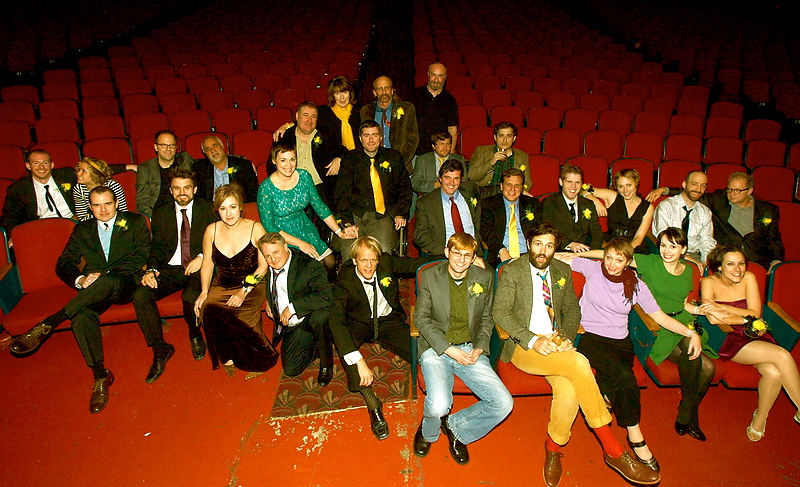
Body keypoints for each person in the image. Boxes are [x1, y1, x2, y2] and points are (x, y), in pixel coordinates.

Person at [493, 224, 660, 486]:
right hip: (524, 346)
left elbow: (572, 308)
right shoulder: (513, 271)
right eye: (538, 244)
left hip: (557, 343)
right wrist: (534, 340)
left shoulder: (560, 270)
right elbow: (500, 313)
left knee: (570, 391)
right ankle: (613, 449)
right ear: (529, 243)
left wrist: (566, 338)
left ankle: (552, 447)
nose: (543, 250)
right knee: (580, 362)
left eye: (549, 245)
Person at [557, 237, 702, 473]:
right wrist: (536, 253)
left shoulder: (636, 285)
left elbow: (660, 317)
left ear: (628, 262)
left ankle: (605, 396)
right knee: (626, 380)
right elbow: (562, 257)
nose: (612, 264)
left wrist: (690, 332)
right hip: (591, 337)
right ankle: (637, 438)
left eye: (618, 260)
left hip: (621, 341)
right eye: (609, 258)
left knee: (615, 377)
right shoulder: (592, 268)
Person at [9, 187, 160, 413]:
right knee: (81, 316)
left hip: (126, 282)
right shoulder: (83, 230)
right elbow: (63, 263)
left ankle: (49, 322)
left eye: (107, 203)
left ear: (116, 203)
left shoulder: (135, 222)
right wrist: (80, 280)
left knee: (108, 281)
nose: (103, 209)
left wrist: (104, 276)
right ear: (90, 208)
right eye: (97, 205)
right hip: (95, 289)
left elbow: (141, 256)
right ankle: (100, 375)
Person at [413, 233, 512, 465]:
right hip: (436, 347)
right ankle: (429, 431)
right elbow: (421, 318)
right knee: (439, 405)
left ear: (473, 257)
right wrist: (448, 349)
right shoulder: (429, 276)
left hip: (469, 348)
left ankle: (457, 428)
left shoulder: (484, 277)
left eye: (467, 255)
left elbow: (487, 317)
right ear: (447, 253)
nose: (461, 259)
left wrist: (479, 347)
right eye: (456, 253)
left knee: (504, 403)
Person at [328, 236, 432, 440]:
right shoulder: (344, 279)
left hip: (387, 321)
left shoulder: (386, 263)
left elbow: (418, 263)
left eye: (373, 260)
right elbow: (336, 322)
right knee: (346, 350)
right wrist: (358, 360)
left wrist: (456, 259)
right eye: (364, 260)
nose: (369, 265)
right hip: (359, 322)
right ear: (354, 260)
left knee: (421, 350)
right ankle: (373, 404)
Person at [700, 244, 800, 441]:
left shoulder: (749, 278)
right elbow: (713, 319)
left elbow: (755, 313)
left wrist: (723, 308)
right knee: (782, 355)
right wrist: (744, 316)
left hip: (754, 333)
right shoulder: (709, 282)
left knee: (773, 371)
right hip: (728, 336)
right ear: (719, 266)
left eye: (741, 264)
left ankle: (760, 419)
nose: (737, 270)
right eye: (730, 264)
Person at [132, 168, 216, 367]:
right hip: (171, 268)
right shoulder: (161, 212)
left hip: (199, 266)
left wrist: (202, 257)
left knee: (189, 298)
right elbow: (158, 247)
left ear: (195, 189)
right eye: (177, 188)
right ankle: (159, 346)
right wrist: (151, 269)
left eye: (186, 188)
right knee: (140, 295)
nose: (182, 192)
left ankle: (195, 334)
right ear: (170, 191)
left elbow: (217, 240)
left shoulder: (208, 209)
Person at [194, 184, 278, 379]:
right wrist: (204, 292)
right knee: (208, 308)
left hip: (253, 283)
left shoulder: (255, 228)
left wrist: (243, 291)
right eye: (223, 208)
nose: (228, 213)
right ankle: (228, 356)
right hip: (222, 283)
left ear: (241, 206)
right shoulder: (211, 230)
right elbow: (207, 262)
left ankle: (262, 358)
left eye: (232, 207)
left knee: (240, 316)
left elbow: (263, 266)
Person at [257, 142, 357, 278]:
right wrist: (301, 244)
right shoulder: (266, 188)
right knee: (317, 266)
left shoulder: (304, 176)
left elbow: (319, 207)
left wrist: (339, 232)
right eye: (283, 160)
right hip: (281, 236)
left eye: (292, 159)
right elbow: (269, 227)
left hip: (304, 226)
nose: (289, 165)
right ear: (274, 161)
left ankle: (325, 293)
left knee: (330, 262)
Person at [259, 232, 334, 386]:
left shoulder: (308, 266)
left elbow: (327, 295)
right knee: (291, 369)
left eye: (276, 252)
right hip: (292, 326)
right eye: (267, 256)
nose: (272, 259)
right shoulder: (268, 266)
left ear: (286, 247)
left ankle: (326, 363)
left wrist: (292, 308)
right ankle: (315, 345)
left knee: (321, 316)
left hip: (309, 316)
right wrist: (270, 299)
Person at [334, 120, 412, 254]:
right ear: (360, 138)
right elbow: (341, 193)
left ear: (381, 138)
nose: (371, 140)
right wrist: (347, 222)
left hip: (381, 216)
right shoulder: (350, 159)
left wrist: (401, 213)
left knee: (383, 251)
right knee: (350, 252)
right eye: (366, 135)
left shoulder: (394, 158)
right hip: (354, 215)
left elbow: (405, 188)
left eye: (375, 135)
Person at [701, 172, 783, 270]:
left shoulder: (766, 210)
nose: (732, 194)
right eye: (729, 189)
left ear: (749, 191)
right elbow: (691, 195)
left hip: (756, 261)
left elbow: (773, 239)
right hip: (725, 260)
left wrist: (776, 261)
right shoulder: (718, 200)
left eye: (737, 190)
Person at [274, 102, 342, 210]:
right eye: (305, 115)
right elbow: (272, 164)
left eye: (313, 116)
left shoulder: (325, 134)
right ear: (297, 116)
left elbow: (343, 151)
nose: (309, 120)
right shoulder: (285, 136)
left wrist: (339, 159)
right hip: (292, 187)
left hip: (320, 187)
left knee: (329, 217)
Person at [274, 76, 361, 157]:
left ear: (350, 93)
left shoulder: (360, 110)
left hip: (359, 155)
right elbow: (305, 120)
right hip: (336, 158)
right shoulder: (323, 112)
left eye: (345, 92)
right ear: (332, 95)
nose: (342, 97)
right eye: (337, 93)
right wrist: (286, 125)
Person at [413, 159, 481, 255]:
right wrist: (445, 251)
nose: (451, 183)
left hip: (473, 253)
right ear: (440, 178)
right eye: (447, 177)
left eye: (456, 178)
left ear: (461, 179)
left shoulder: (470, 191)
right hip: (443, 255)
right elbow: (419, 235)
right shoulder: (426, 203)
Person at [0, 149, 76, 232]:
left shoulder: (68, 175)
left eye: (45, 163)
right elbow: (10, 218)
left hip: (73, 224)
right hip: (41, 229)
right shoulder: (18, 189)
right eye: (36, 163)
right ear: (28, 166)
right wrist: (13, 236)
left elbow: (88, 194)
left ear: (52, 165)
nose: (41, 167)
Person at [652, 170, 715, 268]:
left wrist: (706, 262)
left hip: (695, 255)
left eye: (703, 185)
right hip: (669, 253)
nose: (698, 189)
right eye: (694, 184)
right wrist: (684, 255)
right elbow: (663, 236)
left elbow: (707, 241)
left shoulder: (704, 212)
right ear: (684, 184)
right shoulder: (667, 206)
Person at [583, 168, 654, 255]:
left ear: (636, 183)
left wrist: (625, 253)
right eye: (621, 186)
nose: (625, 190)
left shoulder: (647, 207)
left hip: (634, 247)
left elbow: (639, 237)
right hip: (610, 242)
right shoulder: (612, 196)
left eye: (629, 185)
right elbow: (583, 189)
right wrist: (594, 200)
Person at [480, 168, 541, 267]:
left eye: (517, 185)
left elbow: (540, 231)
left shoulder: (533, 204)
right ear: (501, 186)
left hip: (528, 256)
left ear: (522, 188)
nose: (512, 189)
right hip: (500, 256)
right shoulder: (489, 204)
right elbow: (486, 232)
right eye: (508, 184)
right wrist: (501, 251)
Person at [360, 75, 419, 171]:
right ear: (374, 92)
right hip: (373, 166)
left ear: (392, 90)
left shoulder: (407, 108)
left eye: (387, 88)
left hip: (400, 167)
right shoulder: (365, 111)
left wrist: (398, 163)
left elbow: (412, 139)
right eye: (380, 88)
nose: (384, 92)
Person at [541, 164, 603, 252]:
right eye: (569, 182)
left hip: (585, 253)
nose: (573, 186)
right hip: (559, 252)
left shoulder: (588, 204)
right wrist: (570, 245)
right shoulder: (550, 203)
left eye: (577, 182)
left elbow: (597, 233)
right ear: (561, 182)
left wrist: (591, 253)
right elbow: (547, 232)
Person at [135, 130, 194, 216]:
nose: (168, 149)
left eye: (172, 145)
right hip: (158, 213)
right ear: (156, 147)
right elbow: (143, 200)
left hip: (185, 211)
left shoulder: (185, 160)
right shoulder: (145, 169)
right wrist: (153, 219)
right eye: (163, 145)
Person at [467, 121, 532, 198]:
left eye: (509, 136)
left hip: (510, 194)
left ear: (514, 138)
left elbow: (527, 182)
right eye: (501, 136)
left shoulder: (522, 156)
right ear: (495, 137)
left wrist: (519, 190)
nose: (505, 140)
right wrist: (491, 162)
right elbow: (472, 176)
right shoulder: (481, 151)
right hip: (485, 194)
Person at [411, 62, 459, 156]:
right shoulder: (414, 96)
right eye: (433, 75)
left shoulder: (450, 100)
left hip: (440, 153)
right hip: (416, 152)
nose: (436, 80)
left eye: (440, 76)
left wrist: (451, 151)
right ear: (428, 74)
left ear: (445, 77)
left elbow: (452, 128)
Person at [193, 135, 258, 203]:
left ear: (222, 146)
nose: (212, 150)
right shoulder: (199, 169)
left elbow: (253, 194)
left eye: (215, 145)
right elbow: (198, 198)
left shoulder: (243, 165)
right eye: (207, 149)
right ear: (205, 154)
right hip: (211, 210)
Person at [410, 131, 467, 196]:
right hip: (429, 197)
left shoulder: (459, 159)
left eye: (447, 144)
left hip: (453, 196)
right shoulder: (422, 160)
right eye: (441, 144)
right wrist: (435, 185)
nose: (445, 147)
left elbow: (464, 183)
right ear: (433, 146)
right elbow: (415, 183)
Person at [73, 156, 128, 221]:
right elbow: (82, 216)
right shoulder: (79, 188)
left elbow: (123, 211)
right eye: (79, 170)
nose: (78, 174)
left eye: (84, 171)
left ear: (94, 173)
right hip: (92, 223)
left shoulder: (112, 185)